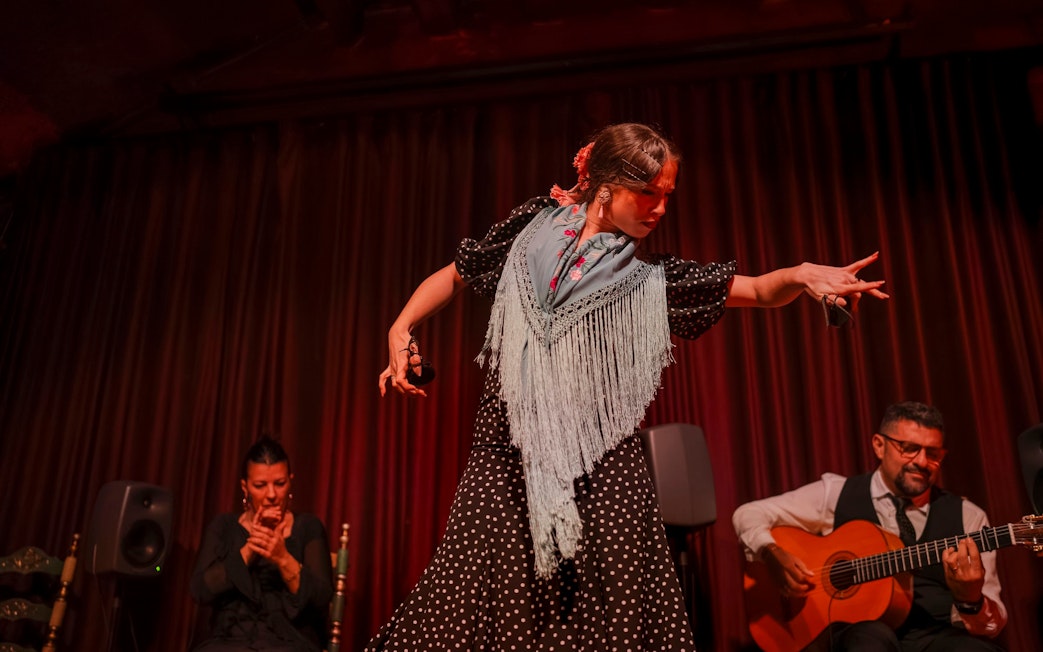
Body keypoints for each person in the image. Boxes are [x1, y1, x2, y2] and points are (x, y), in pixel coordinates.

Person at [369, 122, 889, 650]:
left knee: (598, 625)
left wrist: (801, 275)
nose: (660, 208)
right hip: (504, 460)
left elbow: (756, 289)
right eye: (647, 193)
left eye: (668, 196)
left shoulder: (651, 281)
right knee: (463, 607)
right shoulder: (531, 229)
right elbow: (459, 272)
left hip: (600, 477)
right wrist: (401, 325)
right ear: (605, 185)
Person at [732, 401, 1008, 651]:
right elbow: (748, 513)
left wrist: (970, 600)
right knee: (869, 638)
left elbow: (992, 627)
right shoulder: (835, 493)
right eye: (909, 449)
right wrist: (769, 552)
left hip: (935, 638)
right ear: (879, 445)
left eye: (933, 454)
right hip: (856, 637)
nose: (922, 462)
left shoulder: (968, 517)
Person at [190, 436, 333, 652]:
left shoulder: (308, 527)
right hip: (230, 641)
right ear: (245, 487)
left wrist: (282, 557)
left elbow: (321, 598)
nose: (272, 494)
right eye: (260, 485)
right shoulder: (224, 526)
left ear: (290, 481)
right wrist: (249, 550)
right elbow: (200, 590)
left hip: (289, 642)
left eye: (280, 483)